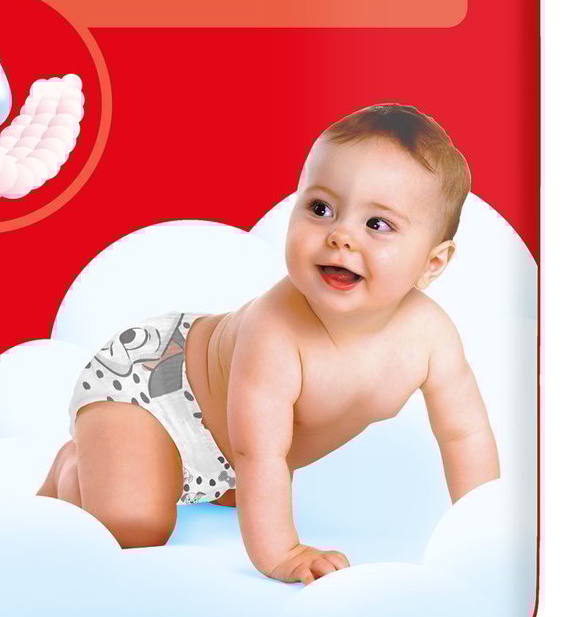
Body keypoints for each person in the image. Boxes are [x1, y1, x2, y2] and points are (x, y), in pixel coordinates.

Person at [38, 104, 499, 584]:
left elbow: (464, 435)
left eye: (377, 225)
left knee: (235, 486)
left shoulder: (431, 337)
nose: (340, 236)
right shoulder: (275, 330)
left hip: (224, 447)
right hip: (154, 384)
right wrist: (281, 552)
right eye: (320, 209)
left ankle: (158, 472)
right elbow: (259, 453)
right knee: (134, 524)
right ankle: (74, 468)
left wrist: (483, 532)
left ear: (432, 264)